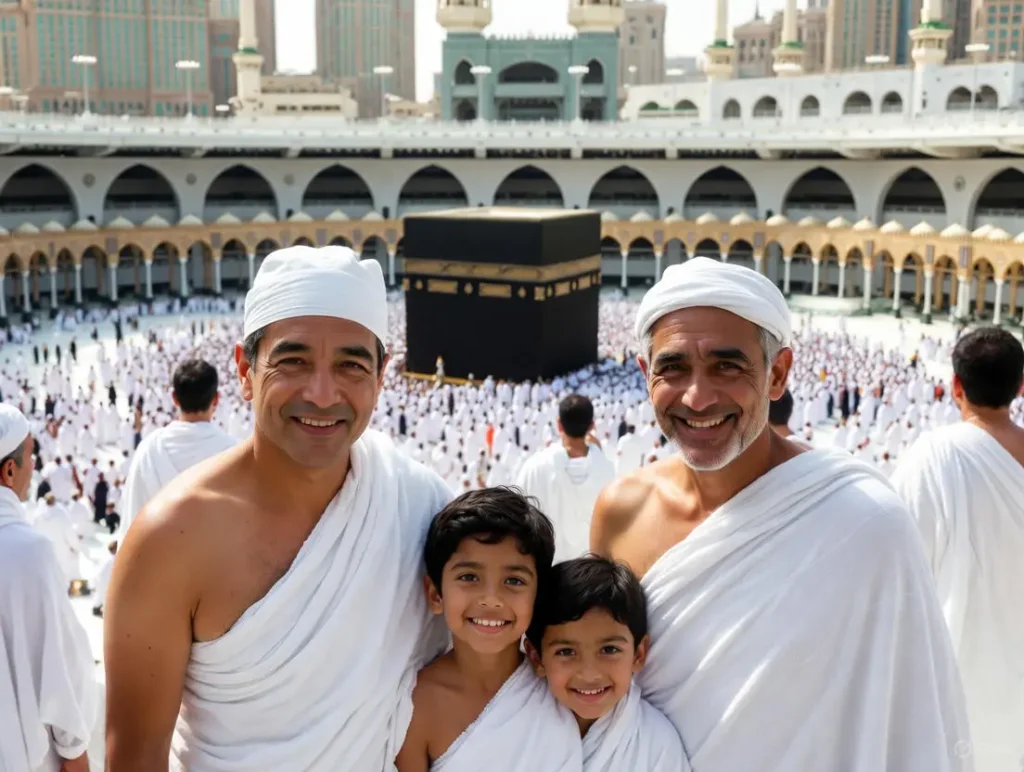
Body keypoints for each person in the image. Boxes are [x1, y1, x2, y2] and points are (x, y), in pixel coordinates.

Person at [591, 258, 971, 771]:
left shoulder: (865, 524)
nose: (698, 397)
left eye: (728, 366)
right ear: (645, 374)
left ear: (778, 374)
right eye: (673, 367)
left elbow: (910, 721)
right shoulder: (620, 513)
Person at [105, 245, 453, 771]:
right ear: (245, 370)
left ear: (381, 378)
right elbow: (134, 760)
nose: (321, 393)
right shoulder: (169, 542)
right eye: (292, 362)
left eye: (351, 365)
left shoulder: (422, 507)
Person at [891, 326, 1024, 772]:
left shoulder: (933, 457)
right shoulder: (938, 456)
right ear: (1021, 387)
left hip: (959, 666)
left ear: (955, 387)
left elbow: (899, 566)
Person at [396, 487, 580, 772]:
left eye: (514, 581)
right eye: (469, 577)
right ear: (435, 595)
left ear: (538, 595)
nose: (491, 598)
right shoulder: (417, 704)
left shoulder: (560, 684)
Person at [0, 404, 96, 772]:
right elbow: (59, 680)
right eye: (31, 457)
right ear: (10, 470)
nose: (35, 466)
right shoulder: (28, 551)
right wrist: (77, 756)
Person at [525, 556, 687, 772]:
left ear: (639, 654)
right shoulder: (517, 720)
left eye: (609, 650)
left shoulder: (656, 742)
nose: (589, 674)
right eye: (566, 652)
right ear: (536, 658)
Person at [120, 358, 237, 534]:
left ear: (174, 398)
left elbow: (131, 523)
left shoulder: (149, 450)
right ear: (216, 399)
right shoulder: (234, 453)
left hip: (159, 559)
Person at [515, 395, 615, 562]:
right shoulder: (608, 470)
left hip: (548, 571)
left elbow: (519, 519)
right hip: (591, 574)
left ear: (559, 424)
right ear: (591, 426)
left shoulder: (534, 467)